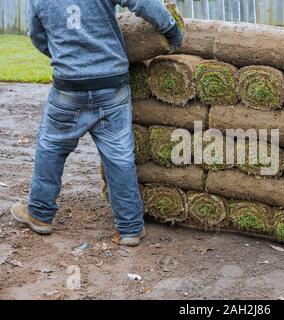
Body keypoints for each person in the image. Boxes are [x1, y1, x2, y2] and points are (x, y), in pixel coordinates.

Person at [10, 0, 183, 247]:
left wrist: (65, 53)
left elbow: (37, 36)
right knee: (119, 156)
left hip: (68, 87)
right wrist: (171, 28)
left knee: (51, 148)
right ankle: (130, 228)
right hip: (111, 84)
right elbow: (141, 2)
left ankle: (39, 215)